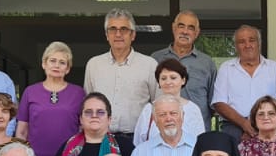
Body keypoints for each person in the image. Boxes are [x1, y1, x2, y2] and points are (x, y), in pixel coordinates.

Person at [17, 41, 87, 156]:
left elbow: (83, 129)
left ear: (67, 68)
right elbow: (22, 131)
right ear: (44, 64)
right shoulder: (30, 92)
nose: (56, 65)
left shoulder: (79, 93)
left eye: (62, 62)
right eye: (52, 60)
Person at [84, 9, 158, 138]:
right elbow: (88, 104)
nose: (118, 34)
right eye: (113, 29)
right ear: (107, 35)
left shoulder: (150, 65)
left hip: (137, 139)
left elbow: (158, 105)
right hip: (101, 138)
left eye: (123, 29)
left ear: (133, 35)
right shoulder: (94, 65)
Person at [210, 25, 276, 140]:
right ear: (235, 46)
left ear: (259, 43)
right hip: (233, 127)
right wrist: (244, 124)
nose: (247, 45)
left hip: (268, 126)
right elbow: (219, 103)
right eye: (242, 42)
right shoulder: (226, 68)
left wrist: (257, 125)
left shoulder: (275, 68)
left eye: (252, 40)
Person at [151, 11, 216, 124]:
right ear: (173, 28)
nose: (185, 32)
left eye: (190, 28)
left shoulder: (207, 63)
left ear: (196, 33)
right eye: (181, 26)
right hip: (163, 129)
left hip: (197, 129)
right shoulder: (155, 59)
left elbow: (213, 103)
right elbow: (150, 96)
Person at [132, 58, 204, 147]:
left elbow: (200, 142)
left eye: (173, 78)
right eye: (163, 78)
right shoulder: (149, 109)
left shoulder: (193, 109)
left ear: (183, 80)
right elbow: (139, 143)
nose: (168, 82)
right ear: (158, 82)